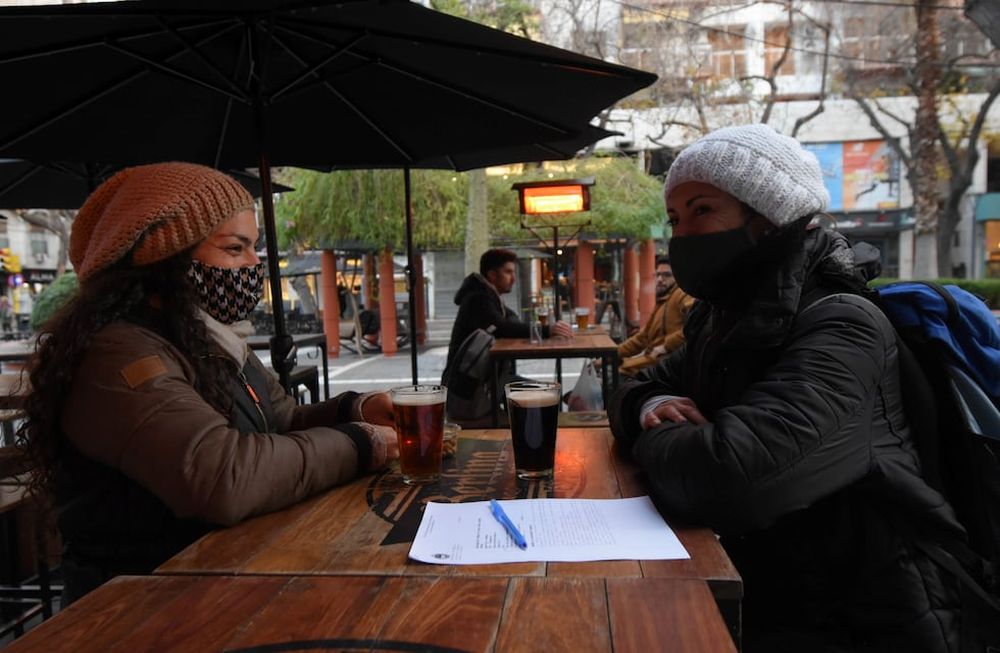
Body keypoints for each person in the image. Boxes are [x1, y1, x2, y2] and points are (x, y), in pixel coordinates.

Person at [608, 125, 963, 651]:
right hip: (762, 592)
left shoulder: (844, 326)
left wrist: (650, 432)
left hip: (862, 621)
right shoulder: (718, 320)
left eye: (703, 210)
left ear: (770, 217)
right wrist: (653, 404)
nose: (682, 236)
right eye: (675, 219)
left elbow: (726, 478)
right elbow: (633, 386)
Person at [16, 162, 399, 605]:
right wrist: (360, 443)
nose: (254, 265)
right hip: (139, 604)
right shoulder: (116, 352)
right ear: (164, 258)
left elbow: (282, 419)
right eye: (235, 249)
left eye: (254, 248)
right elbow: (222, 476)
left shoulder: (206, 335)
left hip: (222, 576)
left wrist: (355, 409)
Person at [442, 248, 572, 382]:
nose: (514, 278)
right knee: (547, 395)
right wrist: (548, 330)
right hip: (469, 383)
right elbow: (502, 328)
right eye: (508, 272)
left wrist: (509, 324)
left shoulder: (490, 295)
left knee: (547, 394)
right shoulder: (477, 298)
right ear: (492, 274)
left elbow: (511, 319)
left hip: (486, 375)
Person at [616, 255, 694, 376]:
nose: (660, 279)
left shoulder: (683, 294)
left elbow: (696, 324)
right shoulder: (663, 300)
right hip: (655, 359)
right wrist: (613, 353)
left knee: (621, 371)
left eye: (666, 275)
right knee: (618, 367)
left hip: (670, 362)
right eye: (657, 275)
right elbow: (642, 337)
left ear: (678, 276)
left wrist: (666, 346)